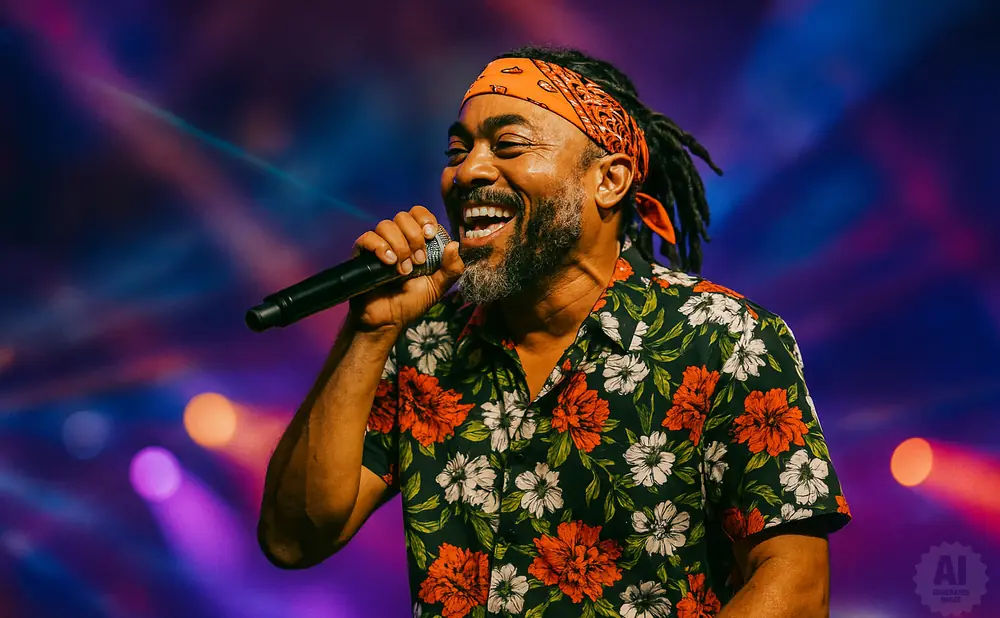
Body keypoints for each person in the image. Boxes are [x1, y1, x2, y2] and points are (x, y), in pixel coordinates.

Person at [257, 46, 852, 618]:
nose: (469, 171)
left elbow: (794, 588)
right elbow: (292, 540)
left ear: (609, 181)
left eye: (509, 145)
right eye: (457, 150)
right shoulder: (424, 346)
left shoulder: (721, 339)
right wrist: (369, 332)